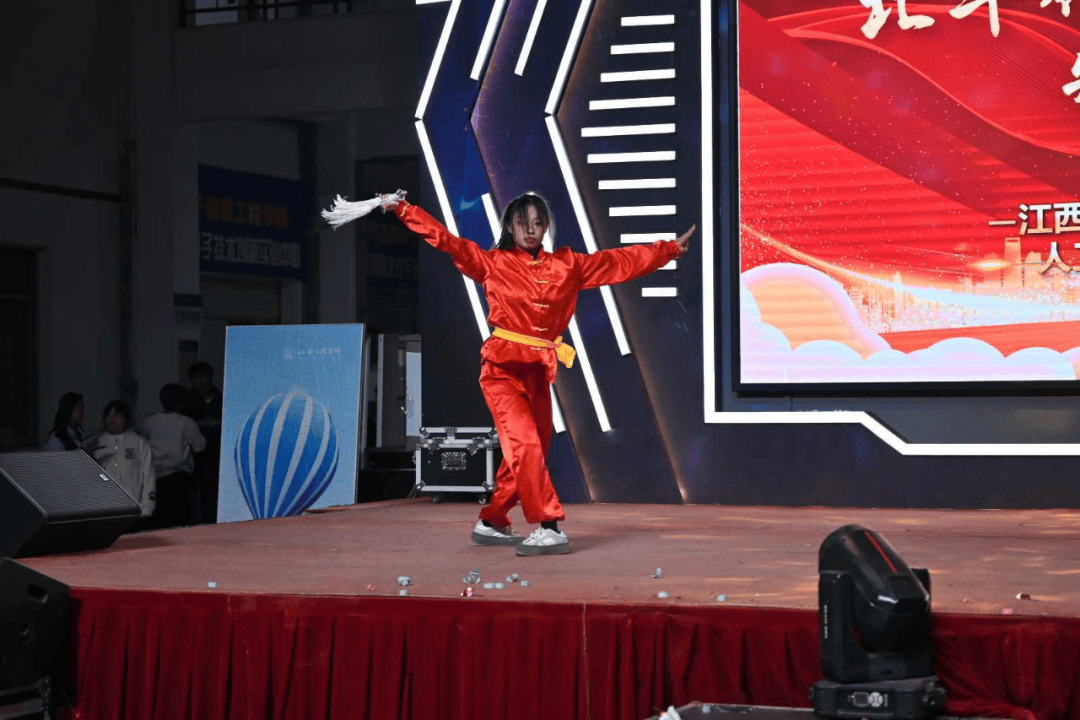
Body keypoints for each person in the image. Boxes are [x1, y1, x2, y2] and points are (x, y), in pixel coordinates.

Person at [382, 191, 694, 556]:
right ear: (510, 226)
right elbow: (447, 241)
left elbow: (615, 262)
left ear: (546, 227)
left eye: (538, 222)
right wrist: (404, 209)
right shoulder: (492, 263)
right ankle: (549, 526)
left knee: (531, 450)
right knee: (525, 445)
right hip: (501, 370)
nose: (530, 230)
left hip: (538, 371)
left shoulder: (567, 265)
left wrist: (666, 250)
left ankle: (493, 520)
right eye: (522, 223)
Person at [145, 383, 207, 528]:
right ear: (183, 403)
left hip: (156, 477)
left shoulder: (150, 421)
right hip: (180, 479)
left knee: (160, 522)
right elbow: (200, 446)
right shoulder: (187, 422)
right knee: (180, 522)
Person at [88, 400, 155, 522]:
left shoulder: (139, 442)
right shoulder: (96, 443)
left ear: (126, 418)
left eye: (118, 415)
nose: (112, 419)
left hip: (132, 511)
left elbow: (149, 477)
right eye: (109, 415)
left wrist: (147, 509)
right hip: (102, 512)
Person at [183, 361, 222, 523]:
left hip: (219, 456)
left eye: (203, 376)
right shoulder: (186, 402)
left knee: (215, 495)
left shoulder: (222, 399)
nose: (200, 381)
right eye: (195, 378)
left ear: (210, 378)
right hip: (195, 458)